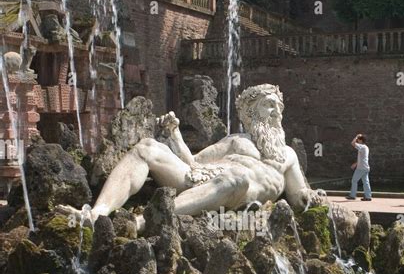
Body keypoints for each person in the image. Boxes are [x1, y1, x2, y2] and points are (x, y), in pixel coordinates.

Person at [58, 84, 321, 229]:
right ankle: (97, 213)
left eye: (278, 106)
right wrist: (175, 136)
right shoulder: (236, 140)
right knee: (147, 146)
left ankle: (143, 222)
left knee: (235, 178)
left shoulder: (287, 155)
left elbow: (300, 199)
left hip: (236, 191)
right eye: (268, 104)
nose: (275, 111)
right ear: (251, 112)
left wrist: (314, 197)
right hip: (202, 179)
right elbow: (193, 162)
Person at [346, 133, 372, 201]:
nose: (357, 140)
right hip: (366, 167)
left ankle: (352, 195)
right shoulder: (366, 147)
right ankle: (368, 196)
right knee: (366, 182)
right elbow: (362, 158)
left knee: (354, 180)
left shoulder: (361, 146)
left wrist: (356, 136)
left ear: (361, 140)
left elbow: (352, 143)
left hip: (361, 168)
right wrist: (356, 164)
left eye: (358, 139)